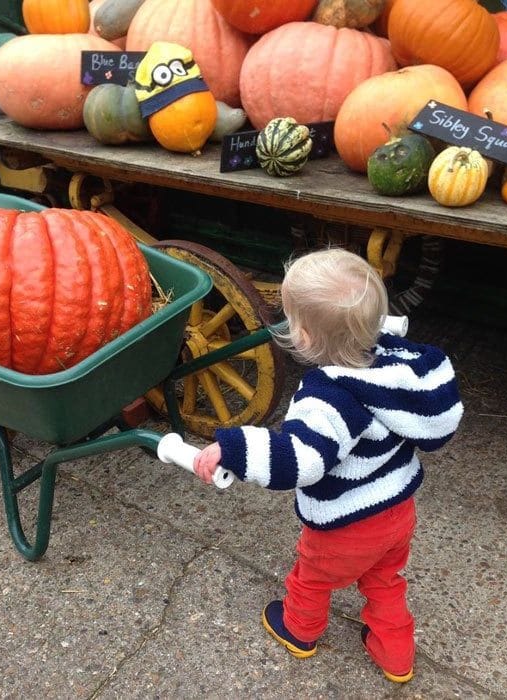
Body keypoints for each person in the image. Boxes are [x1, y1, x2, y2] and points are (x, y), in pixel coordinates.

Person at [193, 247, 464, 683]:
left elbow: (301, 461)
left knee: (312, 577)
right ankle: (396, 654)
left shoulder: (328, 397)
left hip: (347, 525)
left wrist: (236, 449)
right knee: (385, 579)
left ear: (301, 336)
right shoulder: (398, 371)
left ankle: (299, 630)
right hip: (397, 511)